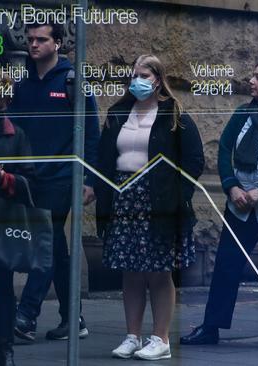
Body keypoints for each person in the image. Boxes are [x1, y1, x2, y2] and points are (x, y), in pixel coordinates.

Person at [180, 59, 258, 350]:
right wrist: (232, 186)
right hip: (240, 204)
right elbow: (224, 150)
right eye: (253, 75)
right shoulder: (242, 113)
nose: (251, 80)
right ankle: (211, 327)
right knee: (227, 264)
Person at [95, 54, 204, 360]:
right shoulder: (118, 113)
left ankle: (161, 338)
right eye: (134, 74)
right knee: (130, 271)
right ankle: (132, 335)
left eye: (144, 74)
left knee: (158, 271)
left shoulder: (173, 114)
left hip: (158, 200)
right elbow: (105, 156)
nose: (137, 80)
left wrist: (178, 195)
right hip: (124, 196)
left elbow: (194, 160)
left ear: (157, 79)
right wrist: (99, 189)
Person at [8, 20, 100, 341]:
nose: (34, 45)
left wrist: (90, 179)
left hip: (62, 178)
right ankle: (73, 319)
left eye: (41, 40)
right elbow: (14, 131)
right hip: (30, 179)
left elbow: (91, 133)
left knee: (43, 246)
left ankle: (27, 315)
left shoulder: (73, 81)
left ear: (57, 43)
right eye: (31, 40)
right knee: (56, 249)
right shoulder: (23, 84)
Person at [0, 76, 35, 366]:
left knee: (3, 289)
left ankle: (5, 352)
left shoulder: (15, 135)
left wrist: (4, 178)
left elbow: (29, 182)